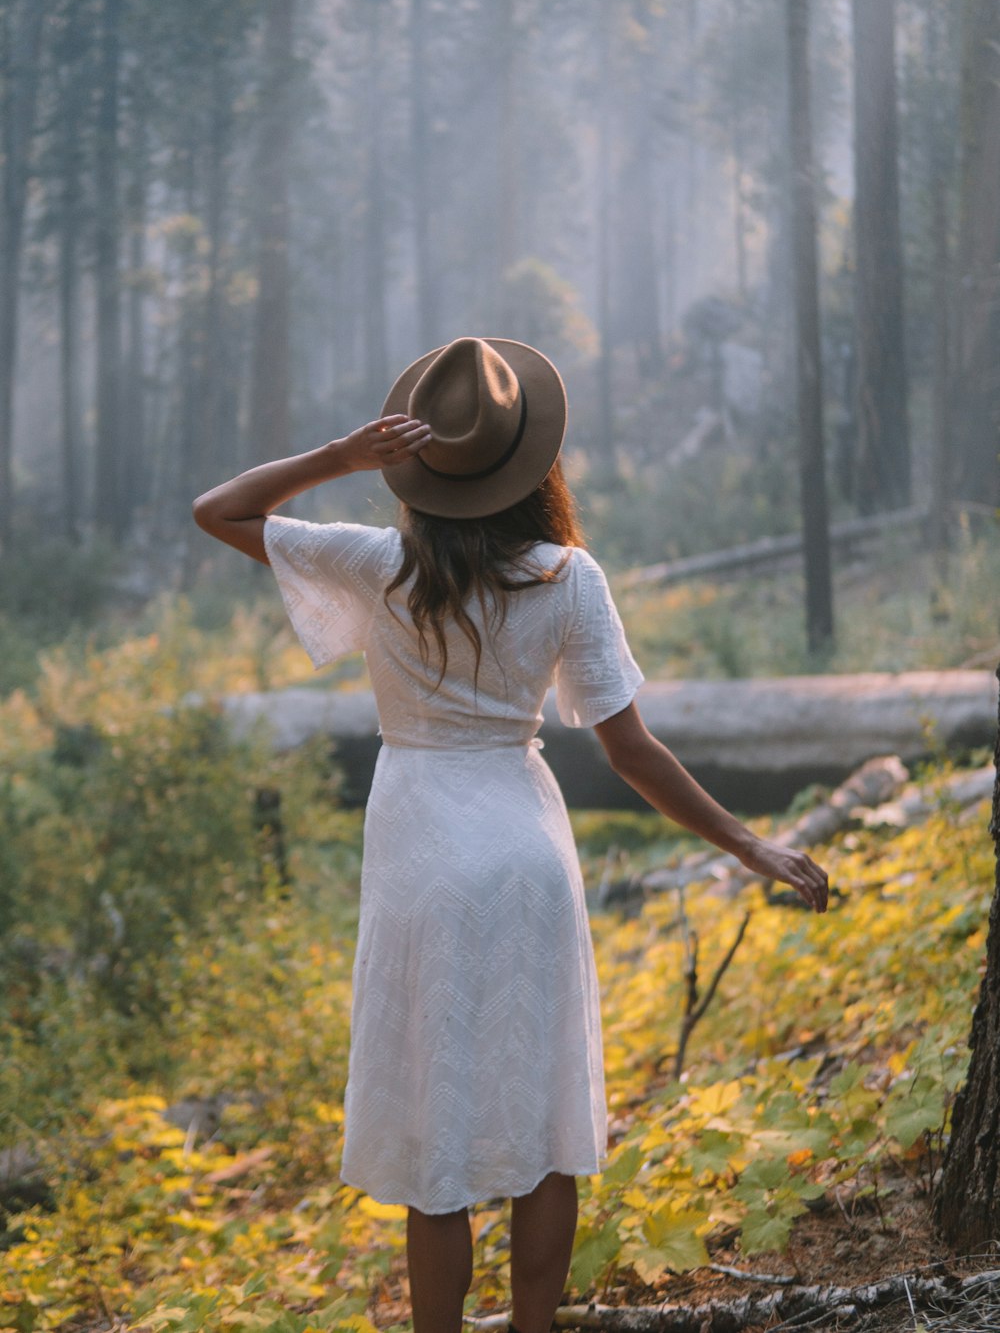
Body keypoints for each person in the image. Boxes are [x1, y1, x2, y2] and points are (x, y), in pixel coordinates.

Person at [193, 336, 829, 1333]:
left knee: (436, 1160)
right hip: (529, 854)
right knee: (544, 1132)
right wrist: (751, 846)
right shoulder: (569, 578)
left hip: (420, 858)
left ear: (418, 467)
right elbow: (633, 752)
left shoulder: (381, 563)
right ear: (532, 465)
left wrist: (338, 456)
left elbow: (219, 510)